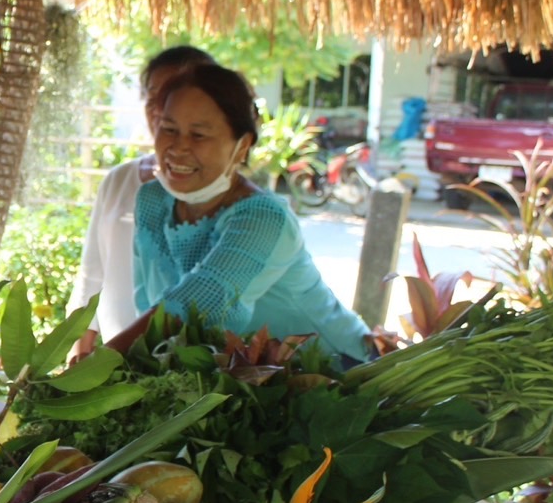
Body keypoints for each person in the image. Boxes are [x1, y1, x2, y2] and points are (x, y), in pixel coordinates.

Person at [106, 62, 371, 364]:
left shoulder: (264, 219)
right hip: (243, 380)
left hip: (335, 376)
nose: (178, 147)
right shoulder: (152, 200)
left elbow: (197, 305)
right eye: (169, 129)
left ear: (242, 145)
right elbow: (150, 302)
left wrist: (98, 366)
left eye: (199, 135)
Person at [69, 45, 215, 357]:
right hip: (113, 366)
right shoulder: (119, 181)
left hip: (193, 371)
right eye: (154, 94)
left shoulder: (230, 196)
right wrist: (77, 350)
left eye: (178, 93)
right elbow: (92, 274)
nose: (164, 107)